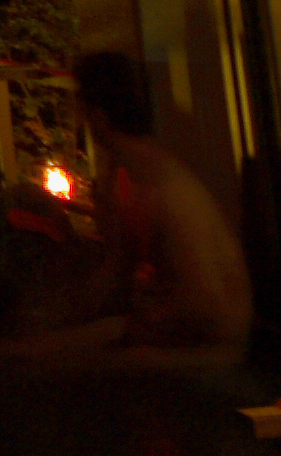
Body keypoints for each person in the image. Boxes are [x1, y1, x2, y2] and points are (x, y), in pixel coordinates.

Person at [43, 50, 251, 367]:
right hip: (172, 331)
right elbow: (117, 267)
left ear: (97, 115)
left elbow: (210, 306)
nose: (78, 118)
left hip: (214, 350)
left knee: (97, 361)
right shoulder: (128, 176)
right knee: (45, 353)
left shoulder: (169, 190)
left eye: (81, 107)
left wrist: (143, 320)